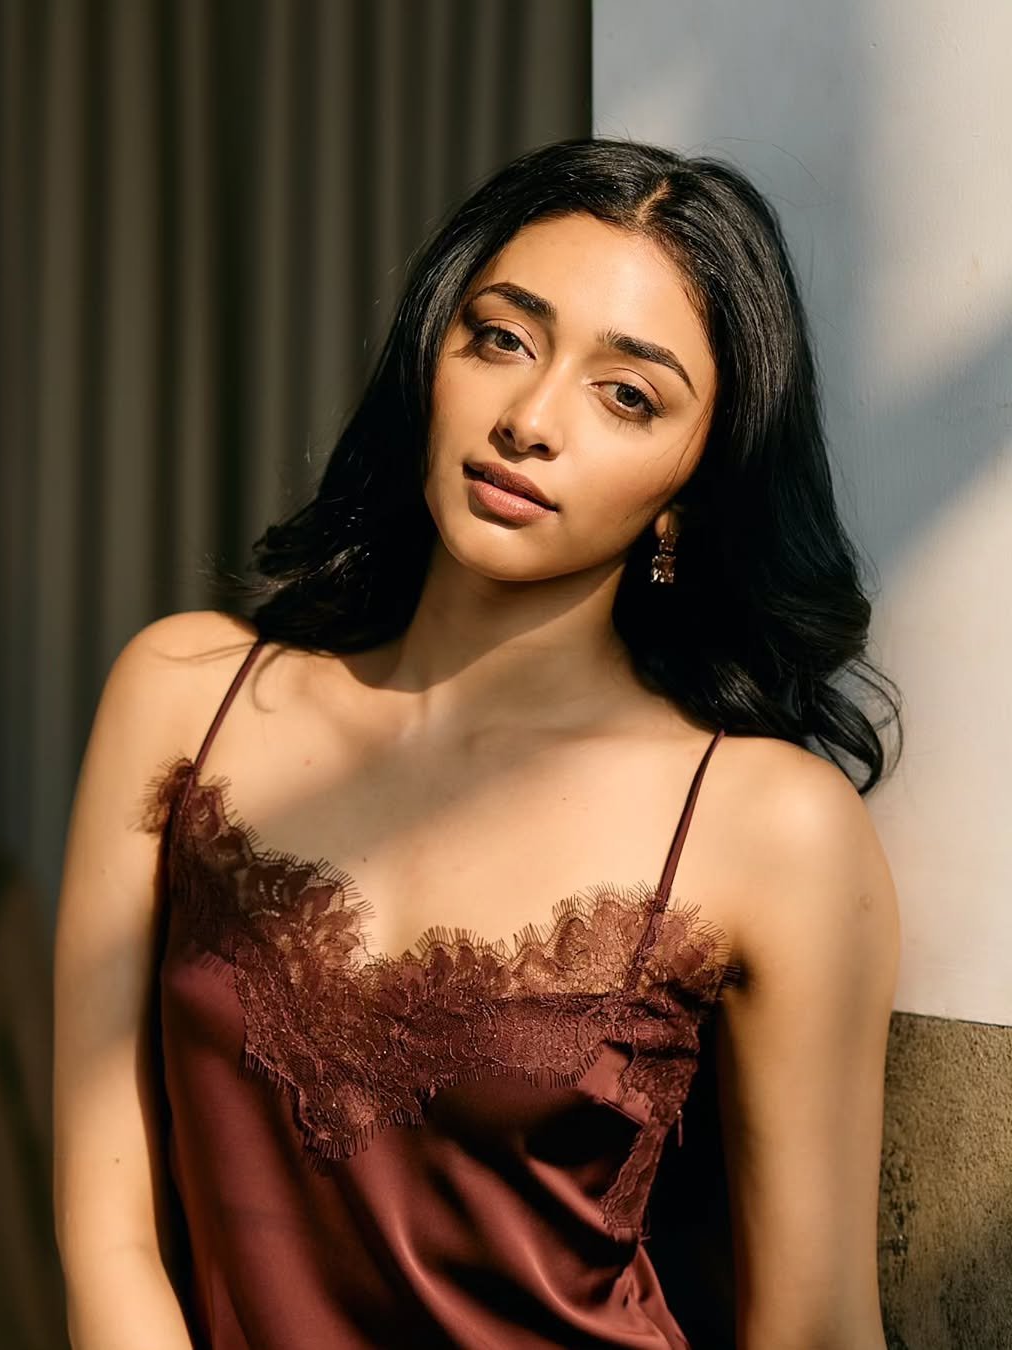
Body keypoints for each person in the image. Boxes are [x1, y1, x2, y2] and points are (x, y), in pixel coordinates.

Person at [52, 138, 902, 1349]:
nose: (530, 420)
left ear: (689, 489)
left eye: (628, 395)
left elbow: (813, 1328)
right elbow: (110, 1239)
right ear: (431, 358)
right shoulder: (184, 695)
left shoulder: (767, 823)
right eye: (502, 337)